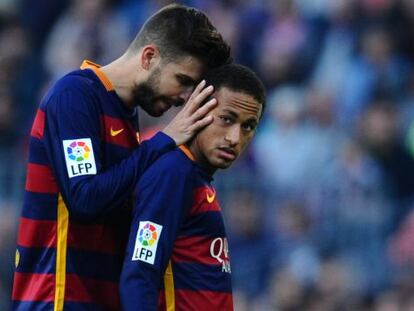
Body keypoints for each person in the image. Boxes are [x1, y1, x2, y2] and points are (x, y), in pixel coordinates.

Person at [12, 4, 231, 310]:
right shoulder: (74, 96)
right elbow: (84, 199)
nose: (183, 97)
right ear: (149, 56)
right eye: (183, 80)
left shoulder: (126, 117)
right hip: (57, 299)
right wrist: (165, 140)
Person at [120, 63, 266, 310]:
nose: (234, 138)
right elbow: (140, 271)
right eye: (226, 119)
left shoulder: (195, 177)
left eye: (247, 126)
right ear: (198, 108)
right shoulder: (174, 173)